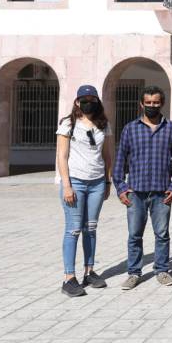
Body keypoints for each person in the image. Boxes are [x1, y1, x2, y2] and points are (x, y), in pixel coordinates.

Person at [112, 85, 172, 290]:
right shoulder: (130, 129)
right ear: (141, 104)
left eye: (156, 102)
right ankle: (134, 273)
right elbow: (120, 159)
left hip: (162, 192)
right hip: (136, 192)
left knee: (162, 234)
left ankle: (161, 270)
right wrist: (120, 186)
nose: (152, 106)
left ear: (162, 103)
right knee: (135, 235)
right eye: (148, 103)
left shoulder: (171, 128)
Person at [56, 85, 114, 297]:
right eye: (85, 98)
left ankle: (89, 271)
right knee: (73, 230)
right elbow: (61, 157)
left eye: (92, 98)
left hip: (97, 183)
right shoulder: (68, 124)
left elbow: (108, 155)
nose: (89, 102)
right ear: (77, 102)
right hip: (75, 183)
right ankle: (69, 278)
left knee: (91, 228)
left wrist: (108, 182)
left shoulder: (103, 124)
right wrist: (67, 185)